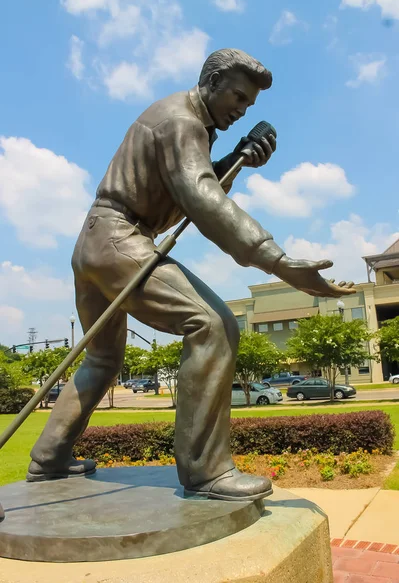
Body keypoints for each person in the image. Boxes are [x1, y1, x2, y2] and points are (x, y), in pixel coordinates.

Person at [27, 49, 355, 501]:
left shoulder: (187, 123)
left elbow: (190, 187)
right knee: (214, 324)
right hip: (120, 238)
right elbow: (200, 198)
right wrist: (277, 262)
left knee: (103, 359)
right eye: (237, 97)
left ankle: (48, 459)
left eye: (248, 105)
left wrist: (236, 161)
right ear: (212, 81)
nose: (240, 111)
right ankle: (207, 472)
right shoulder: (181, 121)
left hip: (95, 242)